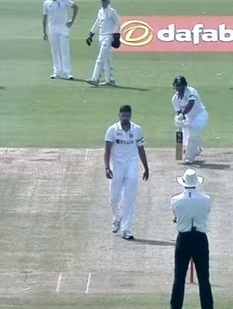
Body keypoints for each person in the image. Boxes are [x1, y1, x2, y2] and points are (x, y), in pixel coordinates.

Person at [104, 105, 149, 240]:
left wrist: (146, 167)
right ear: (119, 115)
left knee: (130, 198)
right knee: (113, 198)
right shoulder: (112, 130)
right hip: (117, 165)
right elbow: (107, 150)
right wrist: (107, 167)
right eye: (123, 116)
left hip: (132, 165)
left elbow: (141, 149)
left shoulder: (137, 130)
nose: (125, 118)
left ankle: (126, 229)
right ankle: (117, 218)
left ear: (130, 116)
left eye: (127, 116)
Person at [170, 168, 214, 309]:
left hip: (183, 239)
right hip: (200, 239)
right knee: (204, 278)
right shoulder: (206, 199)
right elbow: (205, 213)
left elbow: (176, 217)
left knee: (179, 278)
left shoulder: (176, 200)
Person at [172, 76, 209, 164]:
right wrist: (180, 121)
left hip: (200, 115)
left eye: (181, 86)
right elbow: (179, 112)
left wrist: (182, 114)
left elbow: (191, 104)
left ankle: (189, 157)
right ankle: (196, 150)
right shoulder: (174, 99)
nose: (179, 88)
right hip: (189, 117)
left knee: (193, 133)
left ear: (185, 86)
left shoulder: (191, 91)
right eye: (177, 86)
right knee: (185, 139)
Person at [85, 0, 120, 87]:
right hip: (101, 36)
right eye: (102, 2)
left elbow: (118, 23)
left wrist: (116, 35)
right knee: (106, 60)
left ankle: (95, 79)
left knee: (100, 58)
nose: (103, 3)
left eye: (105, 2)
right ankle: (110, 80)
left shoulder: (112, 12)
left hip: (108, 37)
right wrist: (91, 34)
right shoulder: (100, 11)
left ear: (108, 2)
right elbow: (97, 23)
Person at [42, 0, 78, 80]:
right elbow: (45, 17)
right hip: (52, 30)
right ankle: (57, 72)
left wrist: (72, 21)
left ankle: (68, 72)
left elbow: (76, 7)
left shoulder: (64, 1)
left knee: (65, 51)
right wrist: (44, 32)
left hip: (63, 30)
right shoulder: (47, 3)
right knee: (55, 51)